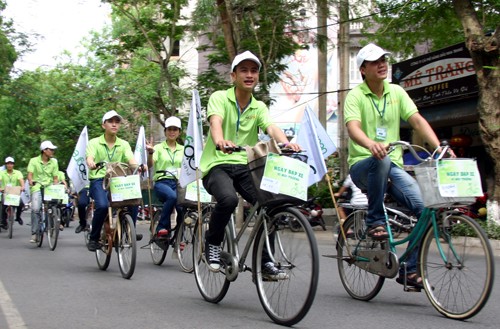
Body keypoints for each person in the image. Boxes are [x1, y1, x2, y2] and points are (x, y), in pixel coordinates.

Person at [344, 43, 456, 288]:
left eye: (384, 59)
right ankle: (374, 220)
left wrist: (438, 148)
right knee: (381, 158)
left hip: (392, 167)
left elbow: (416, 119)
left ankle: (410, 269)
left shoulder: (396, 92)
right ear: (363, 69)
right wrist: (371, 144)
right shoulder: (355, 95)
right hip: (363, 166)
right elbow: (353, 128)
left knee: (427, 208)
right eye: (375, 62)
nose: (382, 64)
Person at [199, 51, 300, 278]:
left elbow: (271, 127)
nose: (249, 75)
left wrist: (285, 142)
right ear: (233, 76)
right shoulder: (219, 97)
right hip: (217, 164)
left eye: (253, 71)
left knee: (271, 204)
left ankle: (265, 263)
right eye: (243, 70)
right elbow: (216, 121)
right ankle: (212, 244)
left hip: (246, 165)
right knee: (228, 200)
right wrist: (220, 141)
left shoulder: (259, 107)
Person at [86, 110, 142, 252]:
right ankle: (93, 238)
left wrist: (138, 166)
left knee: (134, 199)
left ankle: (130, 231)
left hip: (117, 181)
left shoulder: (123, 144)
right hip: (99, 180)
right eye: (111, 121)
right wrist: (91, 162)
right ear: (103, 125)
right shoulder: (94, 143)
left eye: (117, 122)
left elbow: (131, 160)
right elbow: (90, 157)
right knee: (103, 206)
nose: (114, 124)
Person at [146, 116, 184, 238]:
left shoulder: (184, 149)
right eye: (169, 129)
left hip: (178, 183)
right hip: (162, 182)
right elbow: (150, 164)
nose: (172, 132)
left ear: (179, 132)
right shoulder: (158, 148)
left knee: (183, 206)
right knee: (172, 197)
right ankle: (161, 227)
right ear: (165, 131)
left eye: (175, 129)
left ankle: (179, 235)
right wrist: (151, 153)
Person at [27, 141, 60, 243]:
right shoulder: (33, 161)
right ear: (44, 150)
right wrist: (30, 180)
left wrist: (56, 185)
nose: (52, 151)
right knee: (36, 209)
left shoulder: (54, 161)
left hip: (49, 187)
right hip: (37, 186)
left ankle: (51, 224)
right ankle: (34, 233)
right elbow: (30, 174)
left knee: (53, 205)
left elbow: (55, 177)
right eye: (51, 149)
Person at [0, 157, 25, 229]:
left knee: (21, 204)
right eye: (8, 164)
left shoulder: (18, 172)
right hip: (5, 193)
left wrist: (22, 187)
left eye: (11, 163)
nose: (9, 165)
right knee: (3, 205)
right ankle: (3, 221)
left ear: (13, 165)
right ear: (6, 165)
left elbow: (21, 180)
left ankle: (18, 217)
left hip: (15, 193)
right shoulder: (2, 173)